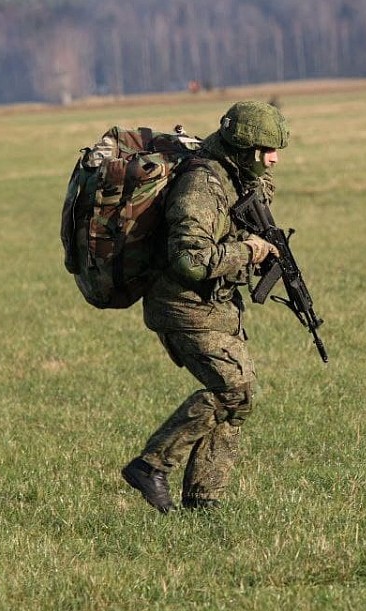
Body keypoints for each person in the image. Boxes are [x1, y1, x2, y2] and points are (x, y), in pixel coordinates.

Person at [120, 101, 289, 513]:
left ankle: (204, 500)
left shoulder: (238, 177)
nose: (275, 158)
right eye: (268, 149)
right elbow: (189, 259)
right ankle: (151, 465)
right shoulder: (201, 185)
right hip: (182, 306)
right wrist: (247, 251)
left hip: (215, 306)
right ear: (246, 148)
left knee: (239, 398)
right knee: (232, 389)